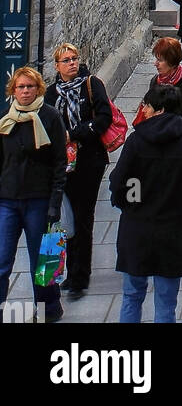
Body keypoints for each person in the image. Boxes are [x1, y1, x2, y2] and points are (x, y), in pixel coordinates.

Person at [110, 84, 182, 324]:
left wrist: (128, 205)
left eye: (148, 105)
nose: (145, 110)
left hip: (136, 226)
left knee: (132, 296)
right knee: (166, 302)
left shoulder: (136, 142)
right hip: (173, 229)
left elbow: (119, 182)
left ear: (159, 109)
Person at [43, 43, 111, 301]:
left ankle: (79, 277)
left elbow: (103, 119)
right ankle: (54, 276)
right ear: (57, 65)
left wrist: (74, 134)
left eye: (74, 59)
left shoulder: (92, 85)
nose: (72, 63)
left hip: (88, 161)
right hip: (61, 164)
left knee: (82, 218)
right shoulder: (50, 94)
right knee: (58, 220)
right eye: (66, 60)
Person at [0, 66, 67, 323]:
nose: (25, 91)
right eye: (20, 87)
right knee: (3, 260)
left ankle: (49, 308)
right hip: (7, 199)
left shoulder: (49, 117)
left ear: (38, 88)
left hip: (39, 199)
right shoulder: (6, 118)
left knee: (42, 262)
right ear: (13, 91)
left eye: (30, 87)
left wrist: (55, 202)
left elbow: (60, 162)